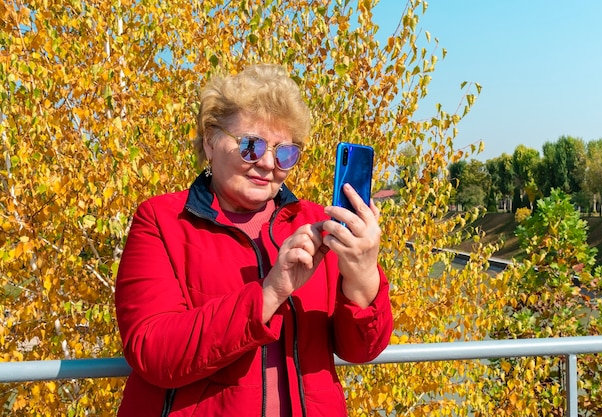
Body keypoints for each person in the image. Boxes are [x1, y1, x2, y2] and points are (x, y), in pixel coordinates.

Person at [114, 63, 393, 417]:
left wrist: (363, 273)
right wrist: (270, 292)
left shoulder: (316, 224)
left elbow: (361, 350)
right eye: (250, 146)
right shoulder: (162, 221)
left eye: (285, 152)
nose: (267, 163)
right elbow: (152, 351)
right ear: (210, 142)